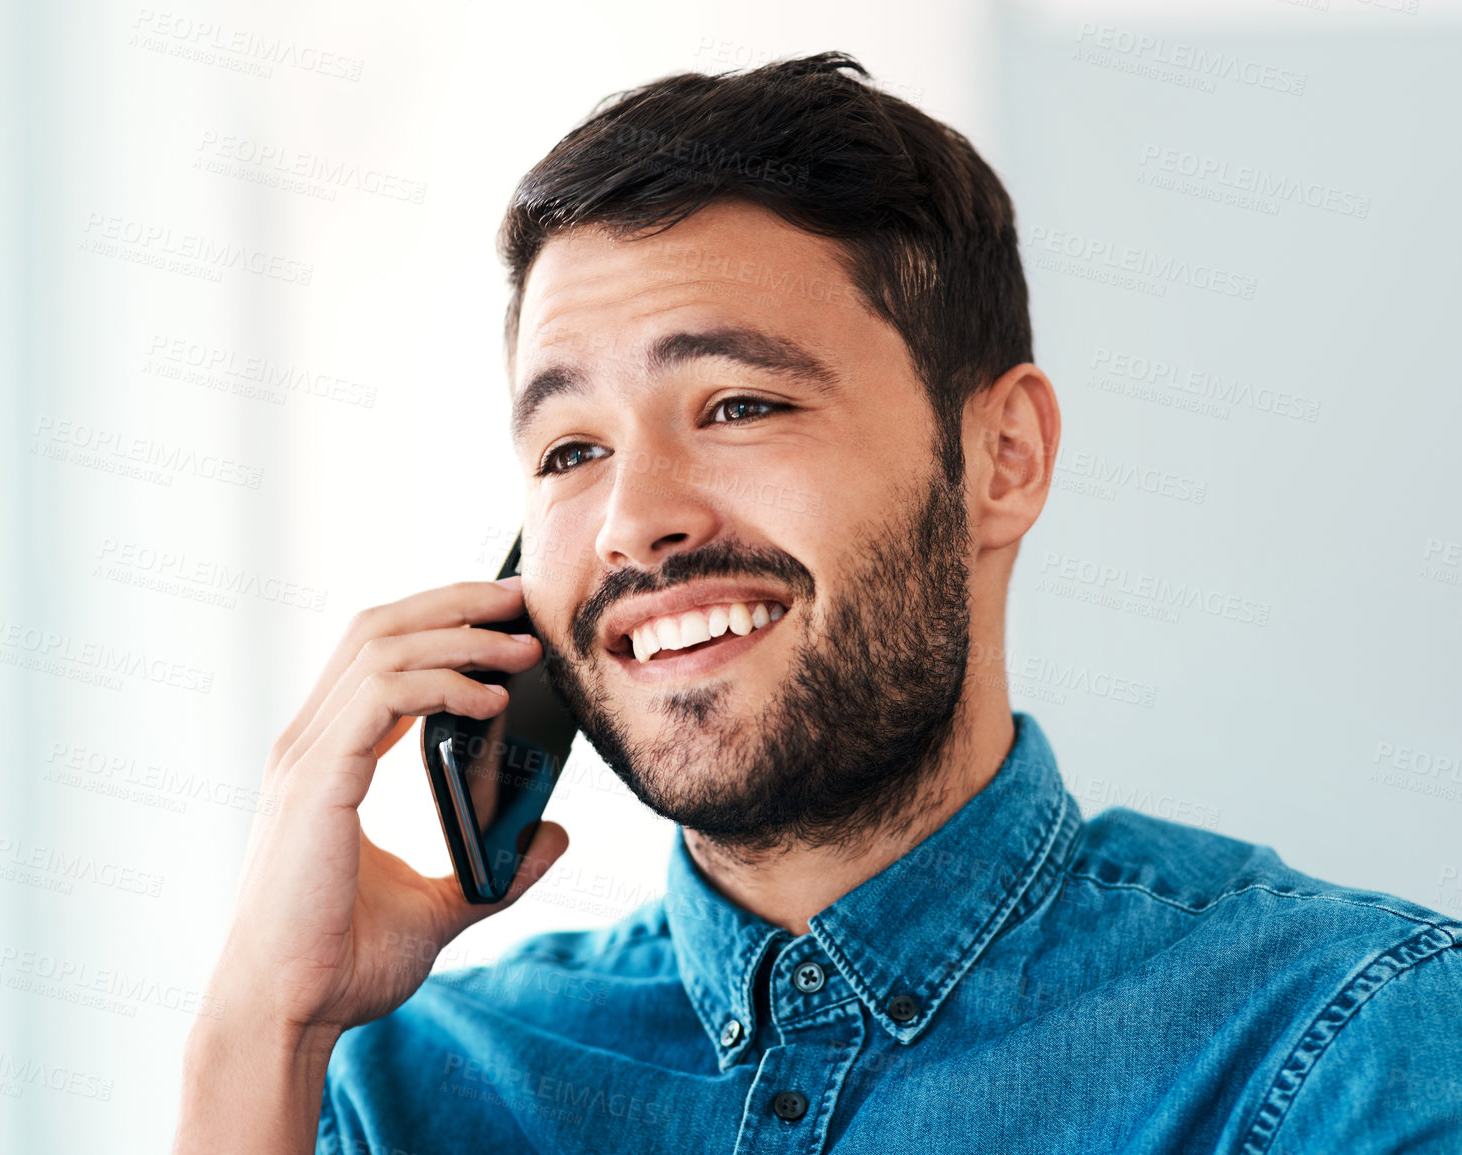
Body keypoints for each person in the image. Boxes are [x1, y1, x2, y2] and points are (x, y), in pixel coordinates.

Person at [173, 53, 1462, 1153]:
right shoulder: (403, 1091)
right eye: (571, 451)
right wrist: (260, 1025)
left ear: (1001, 458)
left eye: (739, 405)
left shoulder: (1345, 1041)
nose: (635, 521)